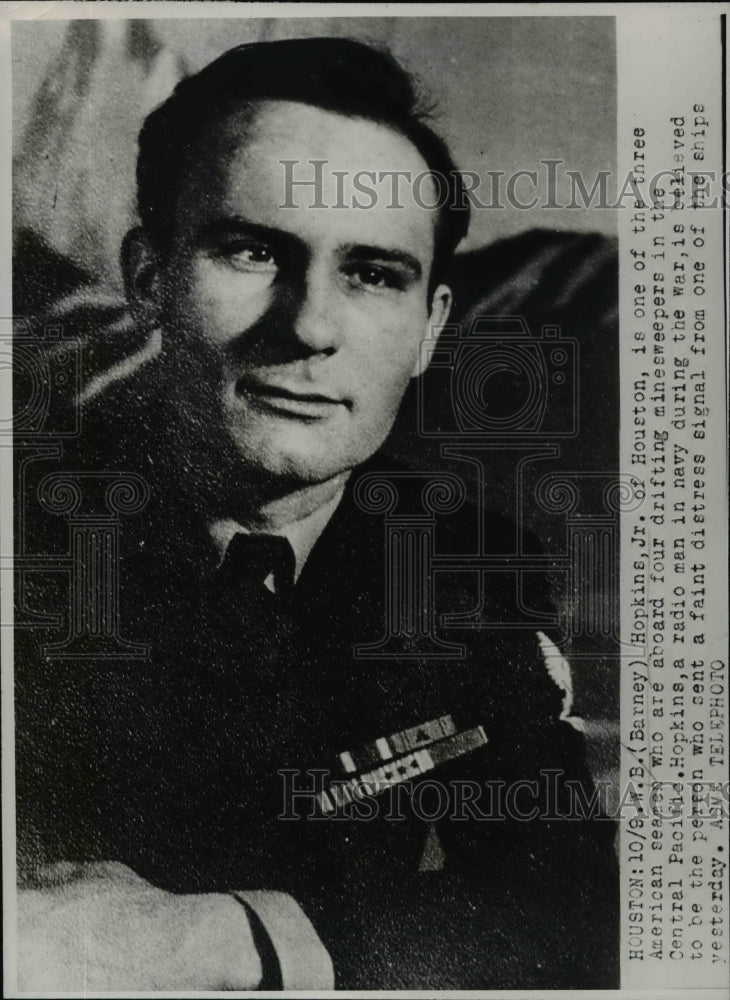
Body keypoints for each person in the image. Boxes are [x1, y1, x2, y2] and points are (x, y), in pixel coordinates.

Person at [15, 37, 618, 991]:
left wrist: (229, 937)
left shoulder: (460, 560)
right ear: (148, 277)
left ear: (430, 329)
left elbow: (566, 912)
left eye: (375, 273)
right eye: (252, 250)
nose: (309, 327)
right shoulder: (29, 543)